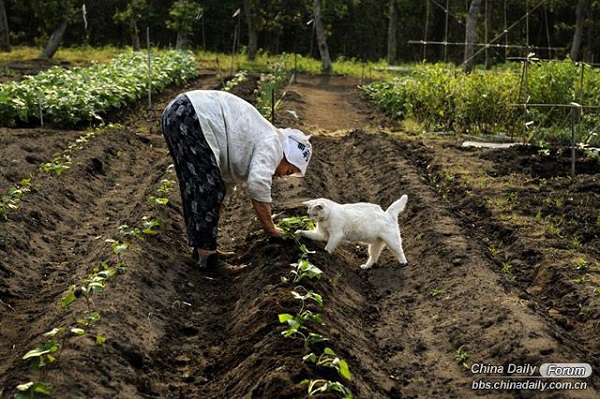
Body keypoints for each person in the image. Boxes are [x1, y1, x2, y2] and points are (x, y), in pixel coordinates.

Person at [160, 89, 313, 269]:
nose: (282, 176)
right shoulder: (273, 144)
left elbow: (224, 188)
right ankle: (208, 258)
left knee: (203, 187)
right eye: (288, 171)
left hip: (180, 114)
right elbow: (257, 184)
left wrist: (215, 213)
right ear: (287, 156)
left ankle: (203, 249)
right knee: (206, 187)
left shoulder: (262, 143)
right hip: (191, 114)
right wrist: (270, 228)